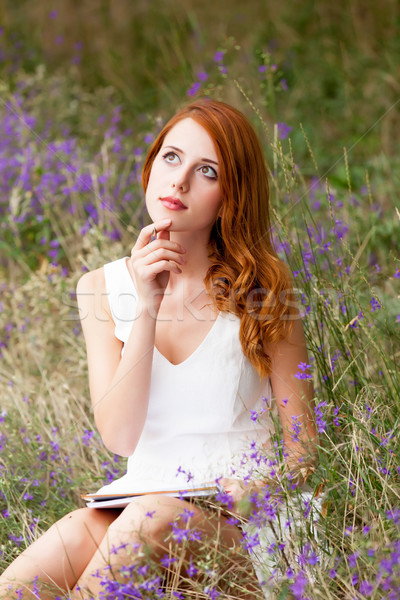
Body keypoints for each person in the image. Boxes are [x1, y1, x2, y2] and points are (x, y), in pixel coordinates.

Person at [0, 98, 317, 599]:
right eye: (171, 158)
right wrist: (145, 303)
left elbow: (304, 451)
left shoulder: (266, 289)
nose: (179, 181)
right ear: (151, 166)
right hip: (136, 505)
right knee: (28, 577)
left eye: (206, 170)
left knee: (150, 518)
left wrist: (257, 491)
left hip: (251, 530)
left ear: (230, 194)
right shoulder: (99, 288)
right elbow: (122, 438)